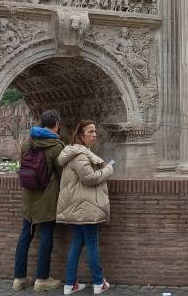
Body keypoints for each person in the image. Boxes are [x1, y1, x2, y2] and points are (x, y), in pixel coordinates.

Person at [56, 120, 114, 295]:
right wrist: (109, 169)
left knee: (77, 243)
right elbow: (89, 178)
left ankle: (70, 284)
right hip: (84, 206)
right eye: (90, 131)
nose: (94, 134)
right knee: (91, 244)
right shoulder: (80, 155)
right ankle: (98, 282)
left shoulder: (76, 153)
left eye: (95, 131)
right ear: (80, 135)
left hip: (77, 205)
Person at [13, 110, 66, 292]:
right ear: (57, 124)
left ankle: (19, 278)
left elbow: (23, 164)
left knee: (25, 235)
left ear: (40, 123)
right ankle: (42, 279)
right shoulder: (56, 145)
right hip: (47, 197)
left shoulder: (27, 142)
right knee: (46, 235)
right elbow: (62, 173)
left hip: (29, 196)